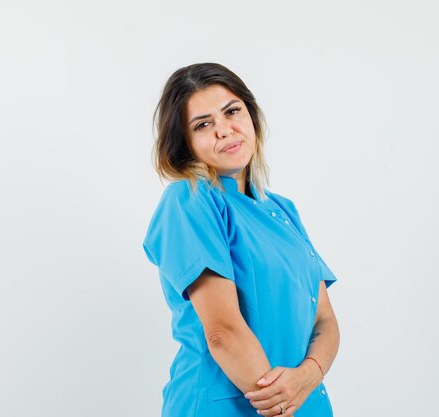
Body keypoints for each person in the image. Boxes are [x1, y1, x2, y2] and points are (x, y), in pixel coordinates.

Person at [142, 63, 340, 417]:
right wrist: (283, 403)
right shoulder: (190, 199)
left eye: (232, 111)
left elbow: (324, 319)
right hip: (232, 406)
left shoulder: (283, 210)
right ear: (184, 143)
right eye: (202, 124)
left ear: (251, 115)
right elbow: (223, 332)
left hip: (302, 403)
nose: (224, 130)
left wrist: (308, 376)